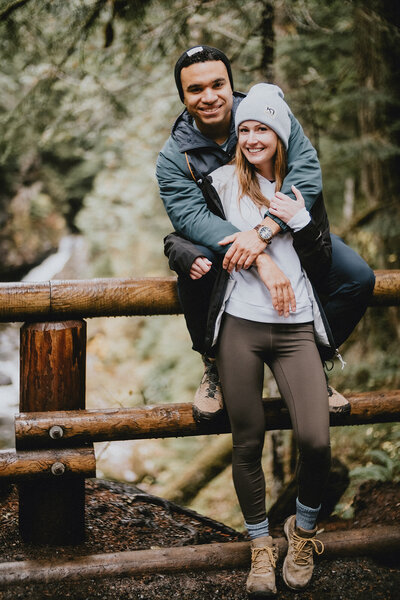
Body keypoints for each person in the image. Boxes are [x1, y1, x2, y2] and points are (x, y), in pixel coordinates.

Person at [156, 45, 375, 421]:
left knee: (357, 278)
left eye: (217, 84)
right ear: (183, 96)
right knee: (196, 265)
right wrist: (257, 255)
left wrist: (266, 231)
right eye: (195, 89)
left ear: (230, 83)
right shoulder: (176, 156)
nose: (209, 97)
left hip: (286, 232)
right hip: (225, 244)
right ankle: (216, 365)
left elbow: (305, 170)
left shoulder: (267, 112)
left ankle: (311, 358)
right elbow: (190, 216)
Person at [206, 82, 329, 595]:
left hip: (296, 327)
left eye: (263, 128)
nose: (253, 137)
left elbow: (322, 257)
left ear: (281, 134)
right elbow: (187, 232)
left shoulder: (300, 188)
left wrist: (297, 224)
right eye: (245, 129)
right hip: (241, 325)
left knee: (316, 441)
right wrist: (261, 255)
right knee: (247, 442)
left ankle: (301, 532)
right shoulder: (220, 184)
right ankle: (260, 547)